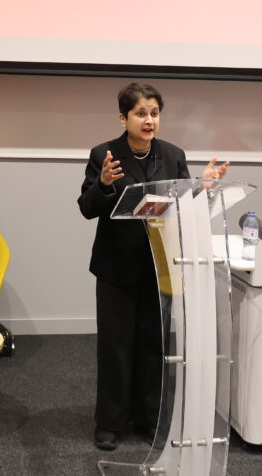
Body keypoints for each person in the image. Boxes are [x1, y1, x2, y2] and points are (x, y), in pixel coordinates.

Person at [77, 83, 229, 450]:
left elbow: (186, 205)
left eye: (154, 113)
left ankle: (149, 417)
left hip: (160, 263)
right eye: (141, 113)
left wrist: (204, 187)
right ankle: (110, 422)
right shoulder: (104, 154)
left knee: (153, 344)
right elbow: (86, 207)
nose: (149, 121)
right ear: (123, 117)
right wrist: (104, 184)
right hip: (117, 266)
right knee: (115, 345)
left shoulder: (173, 154)